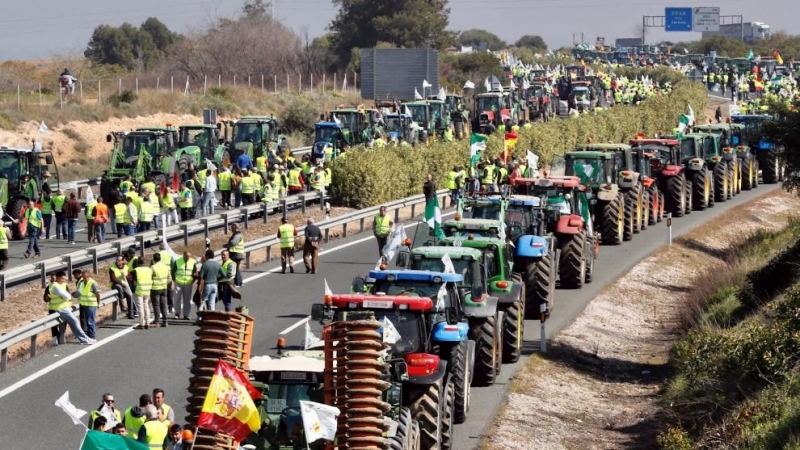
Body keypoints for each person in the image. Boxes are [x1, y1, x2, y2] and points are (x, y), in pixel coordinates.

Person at [46, 270, 94, 345]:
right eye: (62, 278)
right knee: (75, 322)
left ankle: (84, 338)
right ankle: (84, 339)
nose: (64, 279)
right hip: (61, 308)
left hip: (63, 308)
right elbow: (67, 296)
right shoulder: (55, 286)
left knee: (73, 324)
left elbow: (67, 295)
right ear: (58, 278)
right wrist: (65, 297)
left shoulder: (59, 285)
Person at [74, 269, 100, 339]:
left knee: (90, 321)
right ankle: (88, 335)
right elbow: (80, 292)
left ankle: (92, 336)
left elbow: (98, 294)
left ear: (88, 276)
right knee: (86, 320)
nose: (84, 278)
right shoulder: (81, 282)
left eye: (85, 277)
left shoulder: (93, 283)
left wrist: (98, 303)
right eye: (83, 277)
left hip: (91, 304)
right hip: (84, 304)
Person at [131, 259, 153, 330]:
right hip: (147, 289)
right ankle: (147, 323)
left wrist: (133, 290)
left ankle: (141, 324)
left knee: (140, 308)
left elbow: (134, 282)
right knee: (146, 306)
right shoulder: (149, 269)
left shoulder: (136, 270)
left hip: (139, 290)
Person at [151, 253, 171, 327]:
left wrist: (152, 283)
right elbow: (169, 279)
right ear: (160, 259)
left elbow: (150, 277)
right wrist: (165, 283)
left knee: (156, 305)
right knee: (163, 305)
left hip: (155, 288)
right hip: (164, 288)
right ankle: (165, 321)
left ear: (153, 259)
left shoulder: (153, 267)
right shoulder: (166, 267)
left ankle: (157, 321)